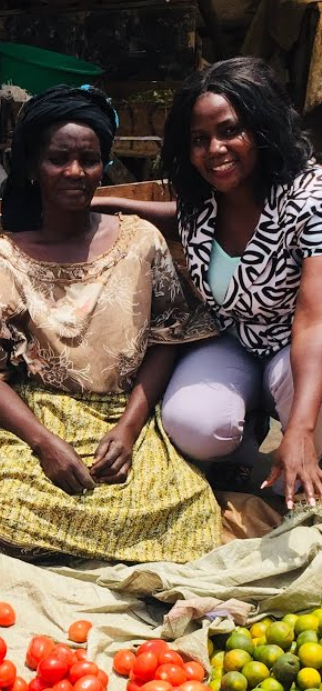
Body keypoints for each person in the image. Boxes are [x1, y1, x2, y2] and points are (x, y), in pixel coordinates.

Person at [0, 85, 221, 564]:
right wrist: (44, 445)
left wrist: (129, 428)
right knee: (6, 499)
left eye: (90, 159)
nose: (76, 172)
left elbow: (168, 337)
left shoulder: (141, 243)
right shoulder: (1, 262)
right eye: (60, 158)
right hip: (36, 418)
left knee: (179, 507)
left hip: (124, 414)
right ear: (34, 167)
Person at [93, 57, 322, 510]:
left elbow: (314, 321)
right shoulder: (204, 201)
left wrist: (299, 429)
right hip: (231, 339)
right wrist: (98, 201)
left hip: (294, 344)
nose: (214, 149)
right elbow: (176, 219)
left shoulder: (308, 201)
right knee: (191, 424)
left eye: (229, 130)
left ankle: (291, 452)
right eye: (200, 139)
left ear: (261, 128)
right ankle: (244, 445)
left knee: (313, 418)